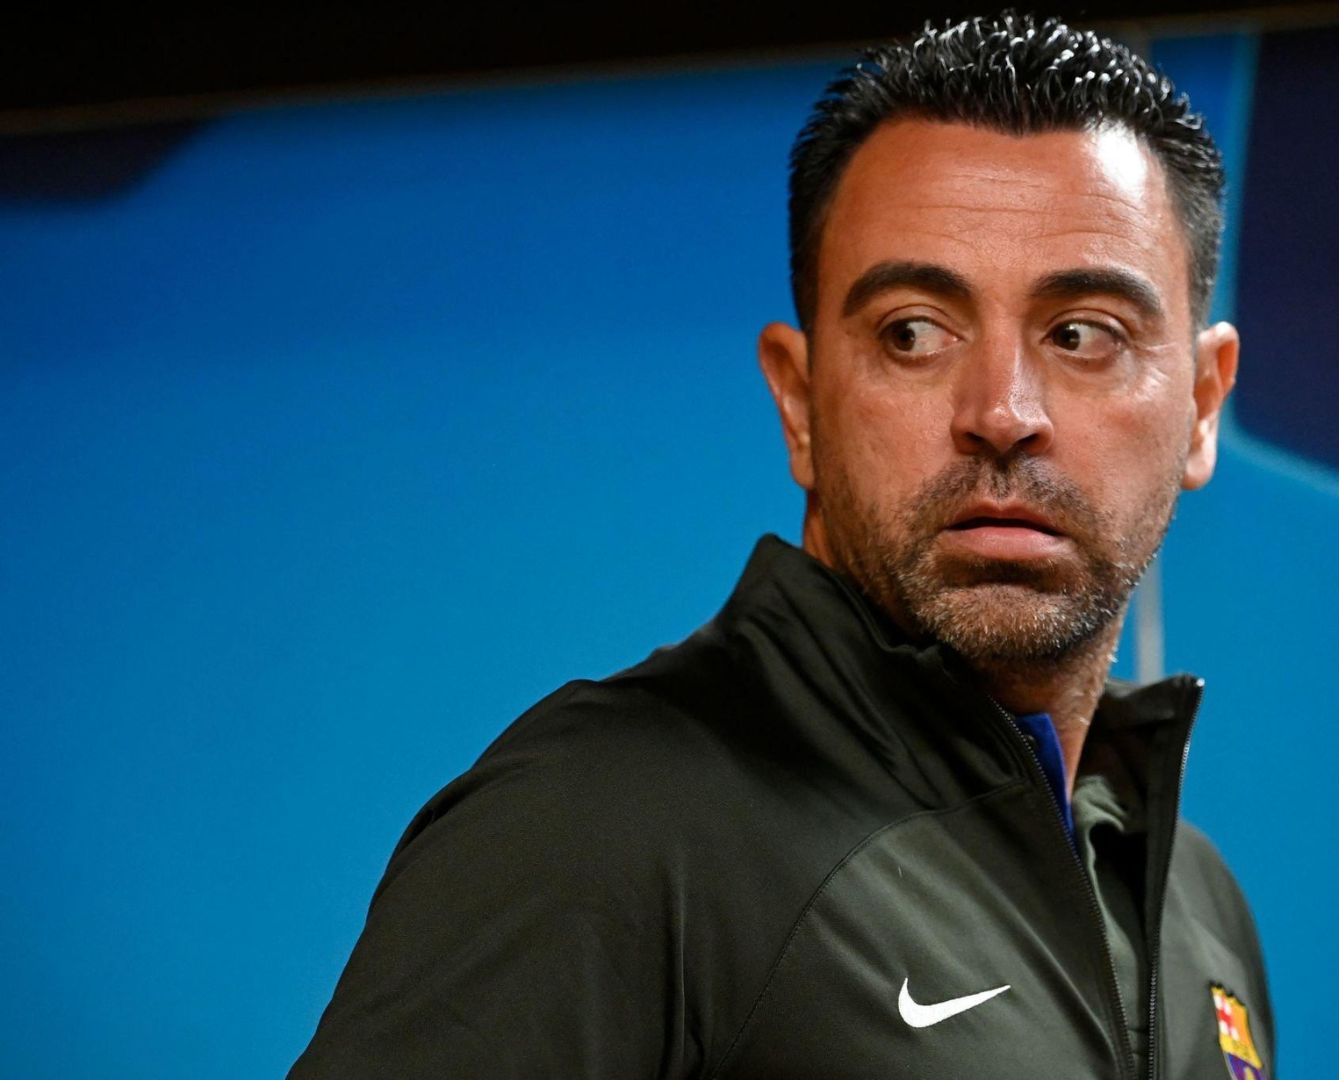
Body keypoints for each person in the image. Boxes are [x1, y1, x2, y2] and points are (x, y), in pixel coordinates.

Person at [293, 12, 1273, 1079]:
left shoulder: (1192, 900)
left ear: (1200, 405)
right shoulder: (596, 832)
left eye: (1081, 333)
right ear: (800, 402)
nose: (1001, 410)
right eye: (912, 331)